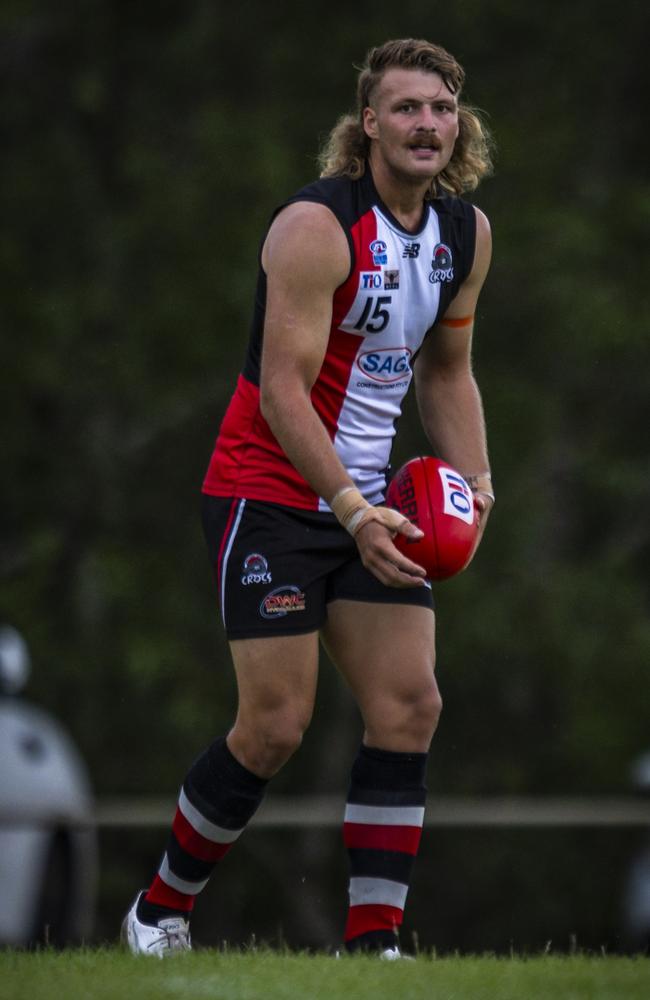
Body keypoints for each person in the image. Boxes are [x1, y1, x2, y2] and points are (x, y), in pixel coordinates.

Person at [123, 36, 495, 958]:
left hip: (373, 499)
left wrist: (477, 483)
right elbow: (284, 389)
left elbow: (448, 373)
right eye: (406, 108)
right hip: (273, 492)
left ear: (461, 125)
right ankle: (159, 910)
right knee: (276, 726)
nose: (427, 125)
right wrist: (350, 510)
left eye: (442, 109)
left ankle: (374, 946)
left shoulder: (463, 235)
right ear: (367, 125)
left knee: (410, 705)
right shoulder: (315, 226)